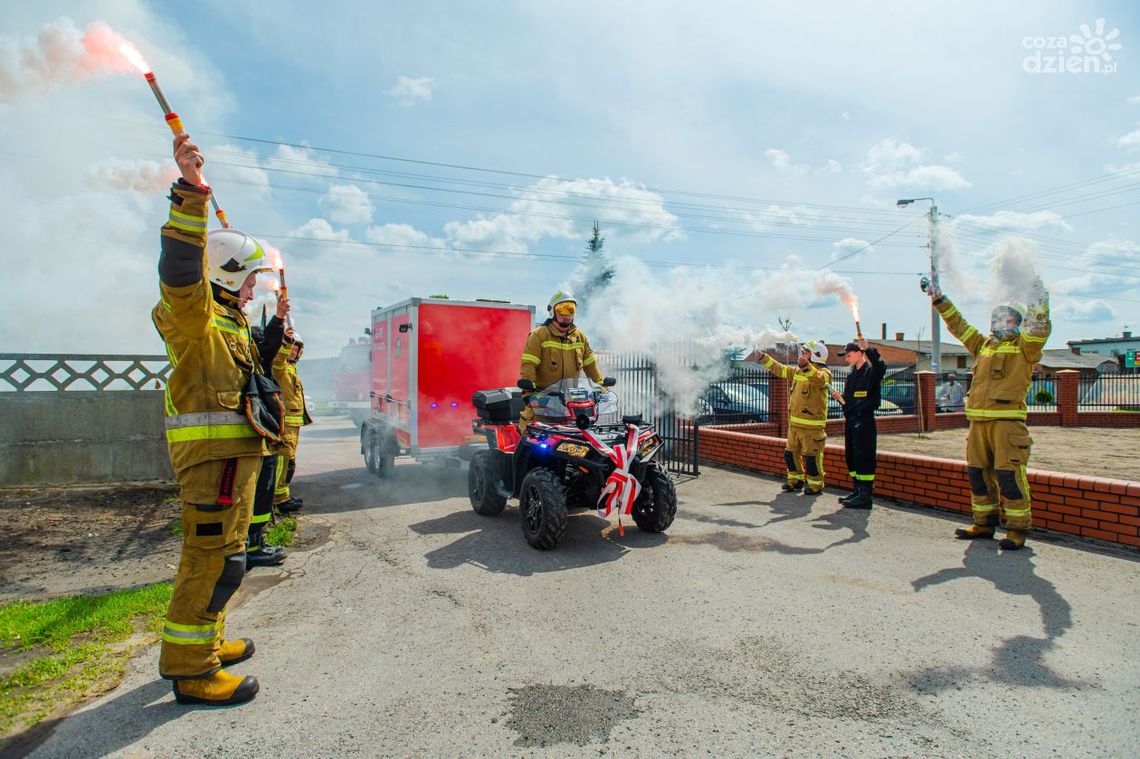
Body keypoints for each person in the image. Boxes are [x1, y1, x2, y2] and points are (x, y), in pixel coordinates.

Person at [151, 132, 271, 705]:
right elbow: (179, 268)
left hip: (234, 461)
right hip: (212, 465)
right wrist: (192, 193)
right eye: (248, 279)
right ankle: (191, 668)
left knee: (231, 559)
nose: (252, 290)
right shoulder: (194, 313)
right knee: (210, 559)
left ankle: (209, 639)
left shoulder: (228, 319)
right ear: (222, 274)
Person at [930, 279, 1051, 550]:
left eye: (1006, 318)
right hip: (978, 424)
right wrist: (940, 300)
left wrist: (1038, 298)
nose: (1000, 322)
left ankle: (1017, 529)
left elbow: (1040, 328)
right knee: (977, 474)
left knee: (1009, 477)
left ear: (1018, 321)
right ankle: (984, 523)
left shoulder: (1025, 346)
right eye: (997, 318)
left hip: (1007, 424)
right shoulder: (984, 345)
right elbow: (959, 326)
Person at [517, 290, 614, 430]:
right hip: (542, 402)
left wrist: (601, 386)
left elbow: (590, 365)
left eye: (570, 310)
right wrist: (529, 392)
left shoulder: (580, 336)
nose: (566, 315)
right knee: (530, 438)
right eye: (562, 310)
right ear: (552, 312)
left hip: (571, 405)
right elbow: (529, 364)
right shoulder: (539, 335)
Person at [757, 340, 832, 494]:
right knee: (790, 454)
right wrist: (764, 358)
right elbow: (781, 370)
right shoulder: (798, 371)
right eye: (803, 352)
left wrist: (807, 366)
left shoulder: (825, 373)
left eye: (806, 353)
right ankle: (795, 481)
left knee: (811, 457)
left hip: (812, 426)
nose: (803, 355)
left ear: (816, 356)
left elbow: (818, 380)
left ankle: (815, 485)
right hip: (795, 425)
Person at [832, 338, 886, 509]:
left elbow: (881, 367)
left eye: (848, 356)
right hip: (851, 421)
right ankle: (857, 490)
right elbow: (849, 402)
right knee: (852, 457)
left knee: (864, 458)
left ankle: (865, 496)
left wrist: (869, 349)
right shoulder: (852, 375)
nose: (846, 359)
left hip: (865, 422)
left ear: (858, 353)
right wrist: (841, 399)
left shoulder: (870, 372)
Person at [272, 327, 313, 513]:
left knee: (289, 461)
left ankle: (283, 495)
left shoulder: (291, 368)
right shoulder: (279, 368)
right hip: (285, 424)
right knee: (284, 459)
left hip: (293, 424)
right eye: (291, 348)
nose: (294, 351)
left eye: (297, 348)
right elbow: (278, 360)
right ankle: (278, 499)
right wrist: (285, 342)